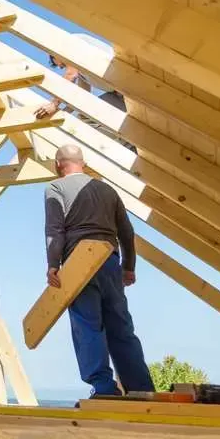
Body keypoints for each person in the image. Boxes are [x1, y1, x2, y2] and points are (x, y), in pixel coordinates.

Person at [44, 144, 155, 397]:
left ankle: (105, 388)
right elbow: (127, 232)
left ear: (58, 164)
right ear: (82, 163)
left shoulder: (56, 188)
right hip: (108, 259)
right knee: (121, 326)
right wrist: (128, 267)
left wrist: (53, 264)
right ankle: (141, 389)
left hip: (78, 260)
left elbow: (55, 230)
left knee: (87, 325)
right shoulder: (107, 189)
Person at [34, 33, 135, 151]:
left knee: (87, 119)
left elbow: (71, 74)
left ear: (56, 53)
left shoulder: (68, 43)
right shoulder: (83, 71)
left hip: (129, 84)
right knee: (86, 116)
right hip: (121, 94)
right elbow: (82, 97)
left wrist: (53, 104)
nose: (65, 67)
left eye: (63, 65)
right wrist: (62, 113)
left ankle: (129, 143)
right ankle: (132, 146)